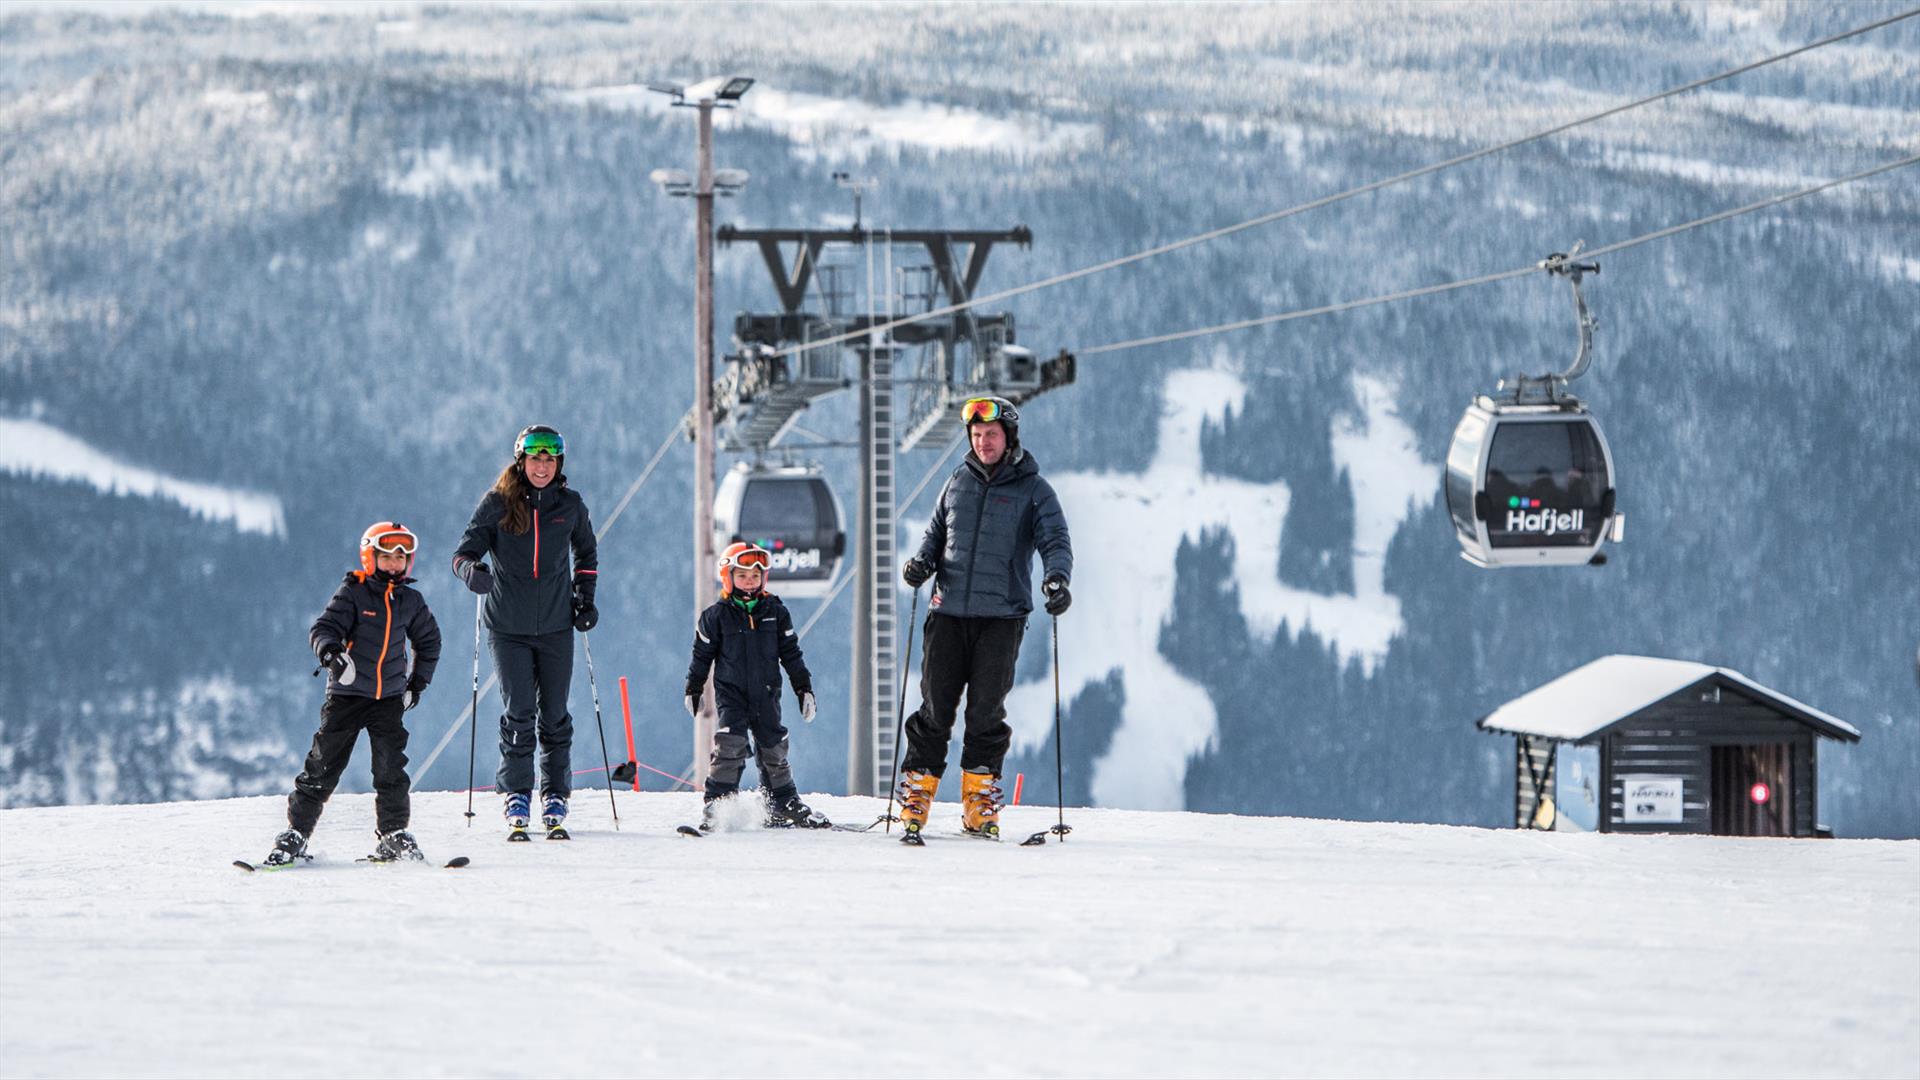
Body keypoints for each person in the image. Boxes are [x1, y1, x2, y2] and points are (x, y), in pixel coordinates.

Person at [896, 396, 1072, 843]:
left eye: (990, 435)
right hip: (948, 613)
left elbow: (1055, 540)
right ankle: (917, 797)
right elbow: (936, 535)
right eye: (976, 436)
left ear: (1008, 437)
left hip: (1001, 618)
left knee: (985, 713)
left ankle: (978, 804)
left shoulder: (1035, 491)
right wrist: (920, 564)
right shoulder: (957, 482)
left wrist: (1056, 579)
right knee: (935, 708)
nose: (982, 442)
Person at [259, 522, 441, 867]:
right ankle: (296, 832)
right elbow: (324, 629)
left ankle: (393, 834)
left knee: (391, 769)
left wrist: (417, 684)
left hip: (388, 699)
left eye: (401, 558)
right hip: (347, 695)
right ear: (370, 556)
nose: (394, 564)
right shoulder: (354, 592)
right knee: (323, 765)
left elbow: (429, 641)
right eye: (386, 557)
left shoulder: (410, 601)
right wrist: (331, 654)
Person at [451, 425, 599, 839]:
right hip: (508, 627)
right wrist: (472, 574)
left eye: (550, 459)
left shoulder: (569, 505)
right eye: (535, 458)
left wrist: (585, 600)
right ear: (522, 461)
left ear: (559, 464)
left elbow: (586, 552)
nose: (542, 466)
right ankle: (517, 793)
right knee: (519, 711)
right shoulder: (498, 504)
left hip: (556, 625)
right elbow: (462, 554)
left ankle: (555, 794)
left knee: (555, 714)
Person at [684, 541, 826, 831]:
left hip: (766, 694)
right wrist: (693, 688)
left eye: (755, 576)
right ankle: (718, 804)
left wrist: (804, 689)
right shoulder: (715, 617)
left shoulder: (775, 611)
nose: (749, 582)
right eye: (742, 576)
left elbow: (791, 654)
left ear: (764, 578)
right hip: (731, 694)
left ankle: (781, 802)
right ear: (728, 577)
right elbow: (701, 657)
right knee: (730, 744)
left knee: (773, 745)